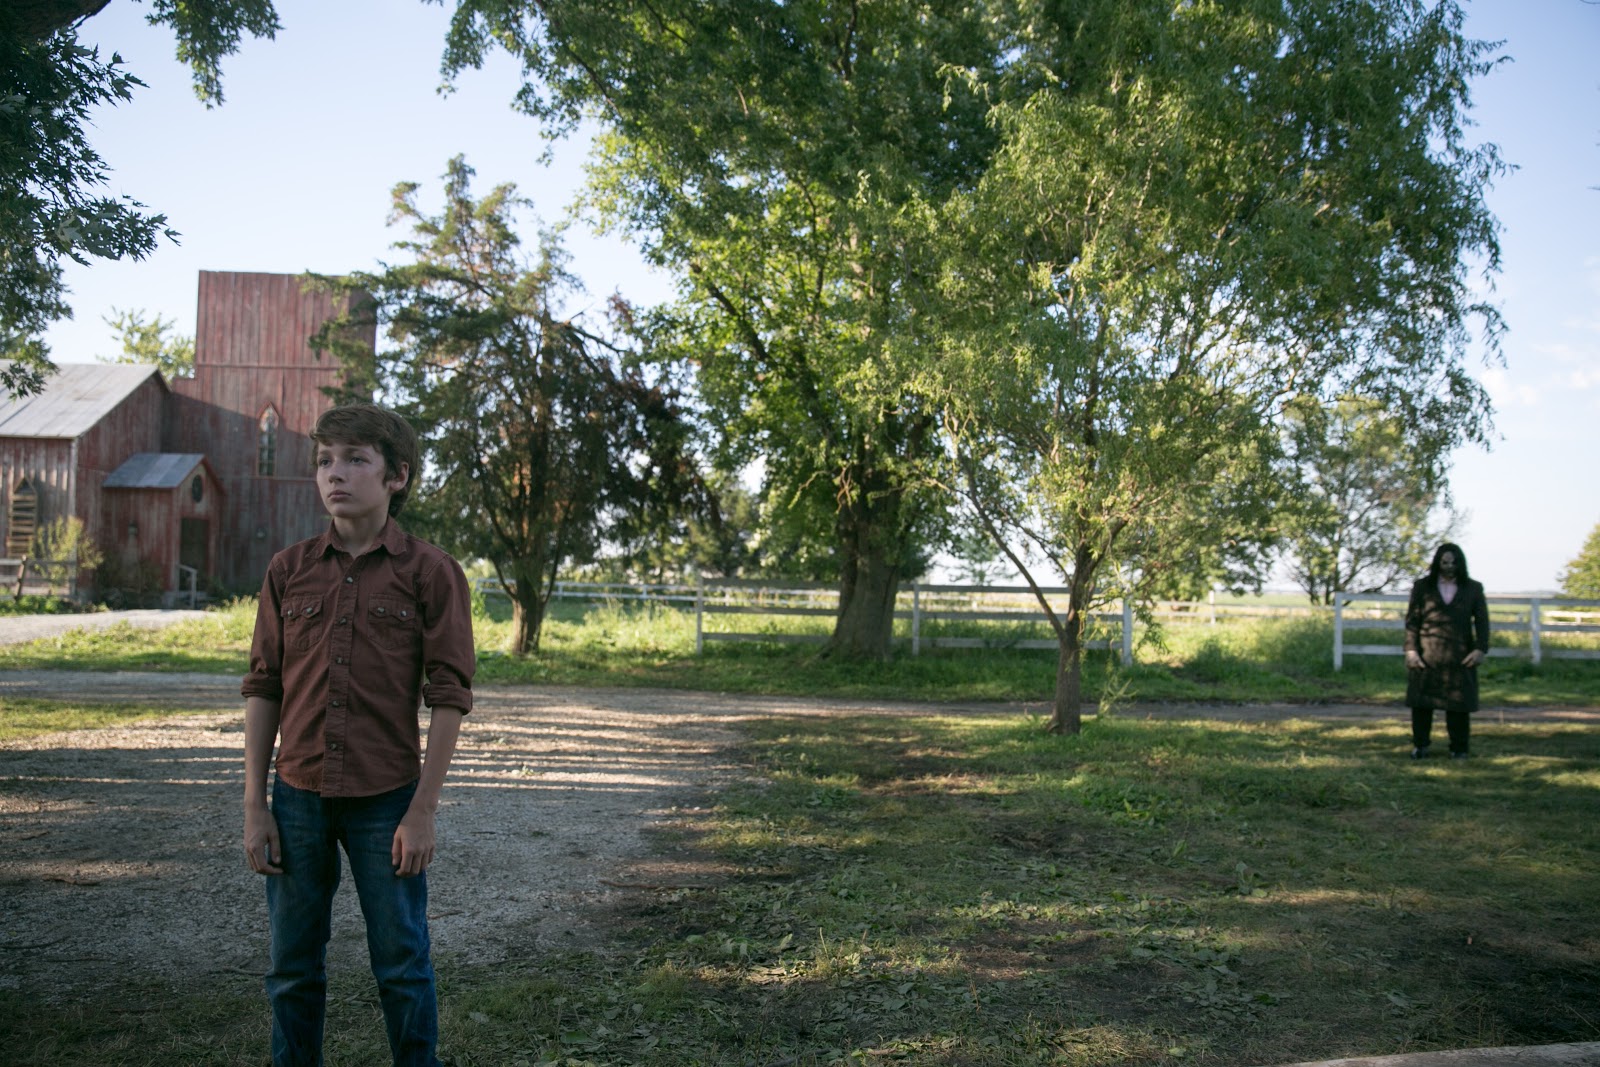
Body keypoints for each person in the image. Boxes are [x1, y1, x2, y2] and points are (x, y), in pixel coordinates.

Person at [241, 403, 475, 1067]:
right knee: (291, 966)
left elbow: (450, 696)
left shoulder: (430, 571)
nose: (334, 474)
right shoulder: (288, 570)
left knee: (402, 962)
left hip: (387, 801)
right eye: (324, 461)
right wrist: (255, 804)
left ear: (397, 476)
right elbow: (264, 686)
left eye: (354, 459)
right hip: (297, 796)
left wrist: (423, 811)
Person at [1404, 542, 1489, 760]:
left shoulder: (1473, 588)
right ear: (1437, 563)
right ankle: (1420, 746)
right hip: (1427, 653)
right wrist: (1411, 650)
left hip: (1461, 654)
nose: (1449, 567)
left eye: (1453, 563)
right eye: (1445, 563)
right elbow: (1412, 621)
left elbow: (1482, 622)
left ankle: (1459, 749)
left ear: (1460, 564)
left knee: (1459, 705)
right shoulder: (1422, 587)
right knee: (1422, 705)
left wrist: (1480, 649)